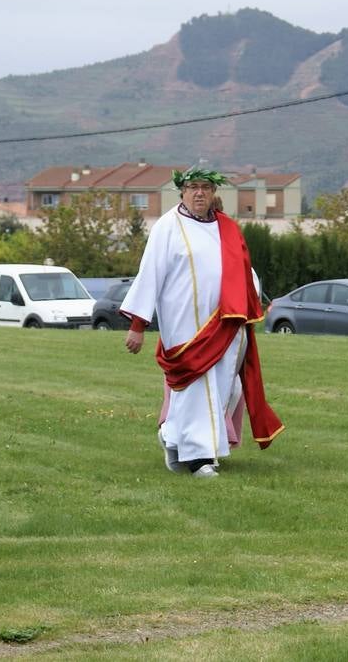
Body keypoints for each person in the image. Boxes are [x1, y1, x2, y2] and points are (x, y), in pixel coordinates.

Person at [121, 164, 283, 478]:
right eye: (193, 187)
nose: (199, 193)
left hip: (227, 324)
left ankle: (176, 438)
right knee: (195, 387)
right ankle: (199, 459)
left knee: (225, 389)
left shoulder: (227, 228)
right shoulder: (167, 227)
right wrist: (137, 326)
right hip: (183, 325)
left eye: (206, 188)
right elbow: (149, 276)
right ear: (182, 190)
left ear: (213, 193)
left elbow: (245, 274)